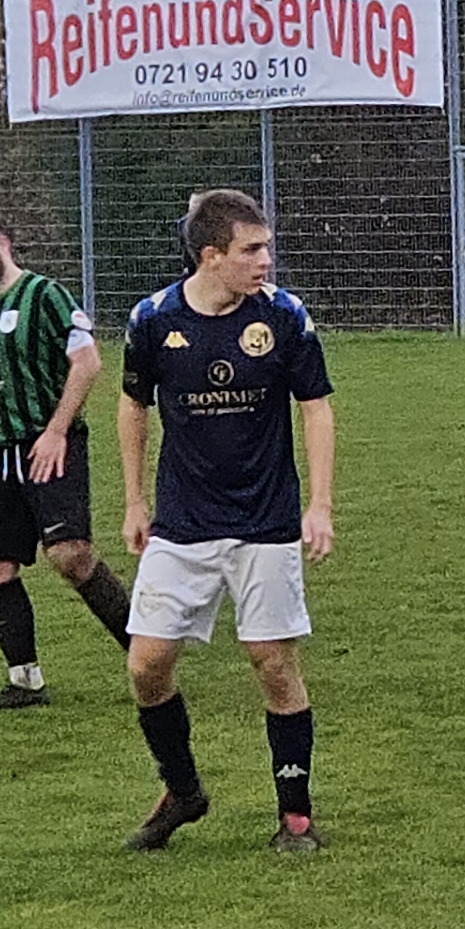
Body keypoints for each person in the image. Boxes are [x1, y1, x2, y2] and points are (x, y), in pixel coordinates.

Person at [115, 189, 337, 853]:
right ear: (211, 256)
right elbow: (133, 407)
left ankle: (295, 818)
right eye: (251, 250)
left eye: (266, 246)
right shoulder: (153, 320)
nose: (265, 260)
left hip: (264, 521)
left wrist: (319, 504)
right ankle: (183, 790)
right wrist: (133, 500)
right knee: (146, 666)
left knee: (272, 663)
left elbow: (317, 408)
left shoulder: (284, 317)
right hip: (182, 524)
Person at [0, 210, 130, 707]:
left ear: (3, 244)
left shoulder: (46, 295)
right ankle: (24, 679)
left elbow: (87, 361)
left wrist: (55, 432)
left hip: (50, 444)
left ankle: (143, 652)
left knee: (69, 555)